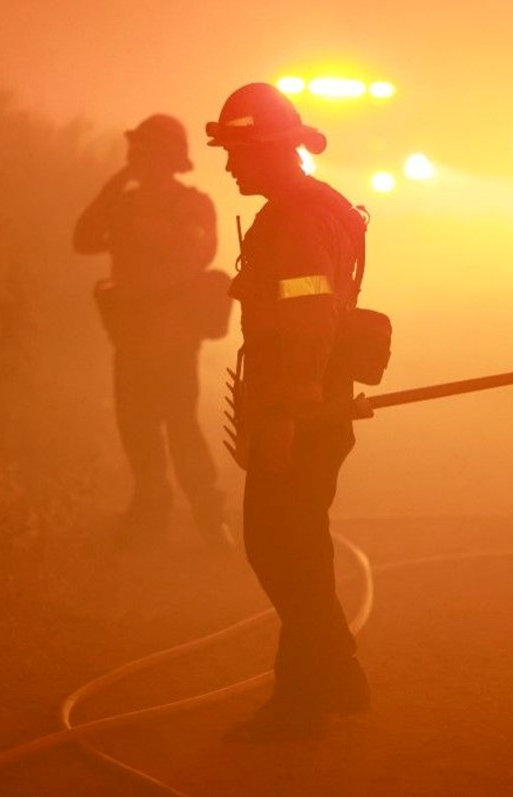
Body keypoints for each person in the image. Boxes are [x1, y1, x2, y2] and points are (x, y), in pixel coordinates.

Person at [206, 83, 370, 738]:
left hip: (301, 408)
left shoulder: (298, 218)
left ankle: (333, 673)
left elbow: (306, 316)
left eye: (237, 151)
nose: (228, 165)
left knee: (277, 548)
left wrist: (285, 412)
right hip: (315, 402)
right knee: (295, 547)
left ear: (270, 149)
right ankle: (306, 693)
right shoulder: (314, 207)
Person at [73, 114, 231, 548]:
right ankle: (150, 511)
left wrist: (144, 226)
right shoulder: (122, 203)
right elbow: (83, 239)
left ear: (165, 157)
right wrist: (115, 189)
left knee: (181, 426)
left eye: (142, 151)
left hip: (175, 336)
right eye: (134, 151)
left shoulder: (192, 204)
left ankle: (209, 517)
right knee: (137, 428)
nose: (134, 157)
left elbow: (197, 252)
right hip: (131, 335)